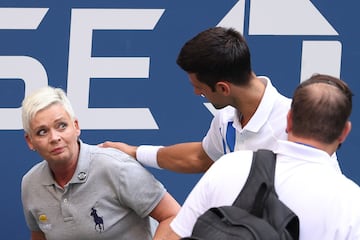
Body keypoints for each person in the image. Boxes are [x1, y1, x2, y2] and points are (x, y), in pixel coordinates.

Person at [166, 74, 360, 239]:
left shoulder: (228, 167)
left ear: (289, 119)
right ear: (344, 132)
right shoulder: (352, 203)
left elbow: (175, 234)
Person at [100, 26, 299, 173]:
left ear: (223, 88)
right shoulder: (226, 119)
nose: (196, 93)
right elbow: (200, 157)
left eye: (199, 87)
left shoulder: (296, 124)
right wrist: (134, 152)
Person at [20, 86, 180, 240]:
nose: (54, 138)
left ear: (76, 126)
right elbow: (39, 236)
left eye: (61, 126)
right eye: (42, 132)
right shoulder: (31, 184)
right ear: (30, 141)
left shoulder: (116, 167)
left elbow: (174, 216)